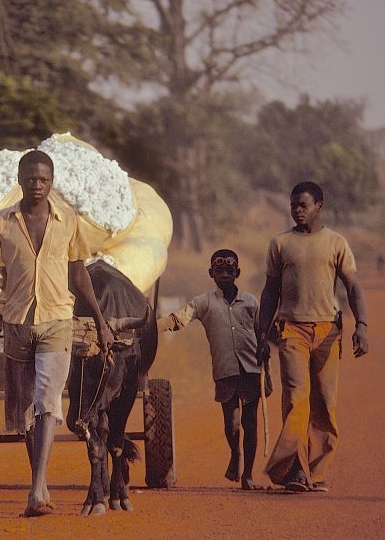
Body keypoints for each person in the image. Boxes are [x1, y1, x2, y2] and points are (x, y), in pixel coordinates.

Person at [0, 149, 113, 517]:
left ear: (52, 181)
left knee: (47, 402)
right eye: (30, 179)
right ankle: (38, 482)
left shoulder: (69, 221)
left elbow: (79, 276)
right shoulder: (1, 222)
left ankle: (38, 489)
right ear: (20, 179)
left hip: (57, 323)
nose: (37, 185)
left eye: (44, 179)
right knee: (25, 412)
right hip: (16, 325)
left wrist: (101, 322)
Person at [257, 181, 368, 493]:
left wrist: (362, 325)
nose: (297, 211)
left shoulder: (336, 243)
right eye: (294, 206)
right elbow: (269, 292)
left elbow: (353, 286)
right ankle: (291, 470)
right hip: (291, 329)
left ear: (319, 206)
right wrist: (262, 333)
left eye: (303, 205)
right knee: (295, 397)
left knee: (323, 401)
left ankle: (316, 473)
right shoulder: (279, 243)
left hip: (327, 331)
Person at [157, 249, 269, 490]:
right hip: (225, 371)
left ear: (237, 272)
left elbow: (263, 331)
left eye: (230, 270)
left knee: (250, 422)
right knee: (232, 424)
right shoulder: (203, 303)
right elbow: (178, 319)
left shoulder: (250, 301)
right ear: (211, 273)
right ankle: (234, 453)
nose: (225, 274)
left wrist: (265, 345)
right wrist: (150, 330)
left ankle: (248, 475)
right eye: (219, 270)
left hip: (251, 370)